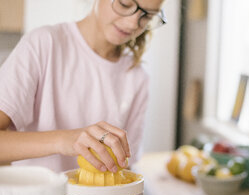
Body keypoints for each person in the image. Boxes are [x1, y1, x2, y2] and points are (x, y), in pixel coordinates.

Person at [0, 0, 166, 173]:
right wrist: (64, 140)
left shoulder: (137, 77)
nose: (132, 23)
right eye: (124, 4)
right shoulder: (44, 43)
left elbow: (125, 166)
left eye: (147, 15)